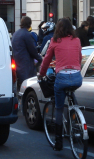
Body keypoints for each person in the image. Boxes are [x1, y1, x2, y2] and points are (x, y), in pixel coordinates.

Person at [38, 18, 82, 151]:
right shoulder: (77, 40)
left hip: (61, 77)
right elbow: (79, 58)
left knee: (59, 108)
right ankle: (76, 115)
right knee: (71, 90)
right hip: (76, 77)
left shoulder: (54, 41)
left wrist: (41, 73)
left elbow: (46, 59)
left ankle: (58, 141)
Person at [12, 16, 42, 91]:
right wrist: (40, 58)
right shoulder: (27, 34)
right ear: (29, 24)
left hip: (17, 62)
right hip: (26, 65)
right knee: (29, 86)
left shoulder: (16, 33)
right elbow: (32, 50)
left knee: (20, 86)